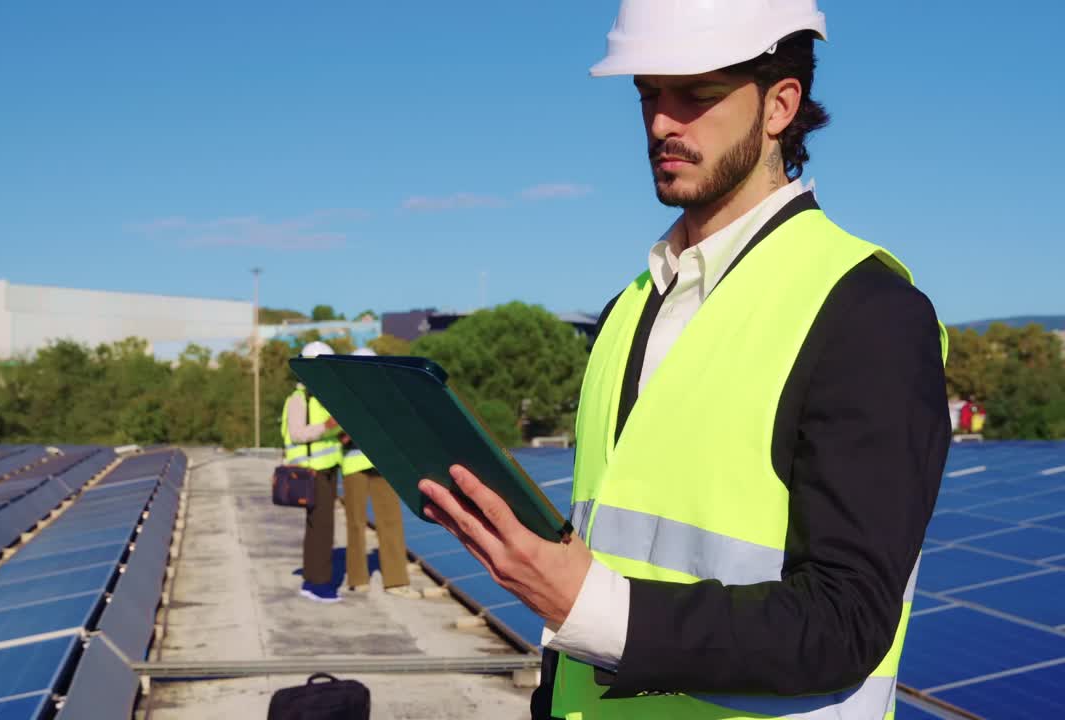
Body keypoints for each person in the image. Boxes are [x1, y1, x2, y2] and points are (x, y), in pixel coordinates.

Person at [416, 1, 951, 717]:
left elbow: (845, 623)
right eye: (648, 94)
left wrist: (591, 605)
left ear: (779, 106)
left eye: (697, 95)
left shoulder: (869, 313)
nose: (663, 122)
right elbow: (605, 552)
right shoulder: (627, 309)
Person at [340, 347, 422, 599]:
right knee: (356, 522)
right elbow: (341, 434)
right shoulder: (344, 394)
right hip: (355, 463)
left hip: (384, 463)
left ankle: (396, 581)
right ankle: (357, 579)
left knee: (391, 521)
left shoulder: (386, 394)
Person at [282, 340, 346, 604]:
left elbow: (323, 434)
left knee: (319, 527)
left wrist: (337, 435)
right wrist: (328, 425)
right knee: (321, 528)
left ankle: (313, 578)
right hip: (312, 473)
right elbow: (298, 434)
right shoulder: (299, 399)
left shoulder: (321, 397)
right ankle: (318, 583)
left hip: (328, 469)